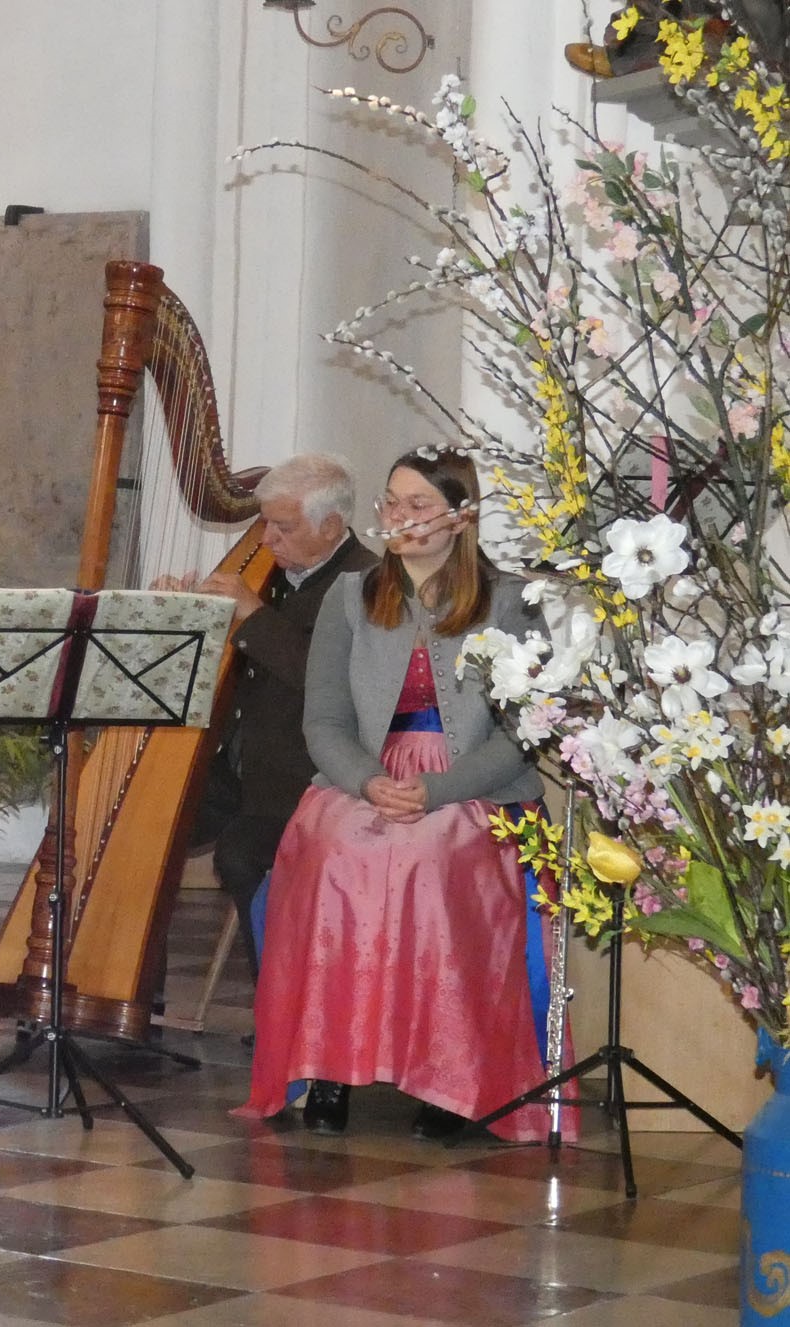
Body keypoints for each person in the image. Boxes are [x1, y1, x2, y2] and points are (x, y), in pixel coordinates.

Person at [236, 449, 561, 1142]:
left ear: (461, 515)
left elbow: (524, 734)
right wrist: (365, 780)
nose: (402, 518)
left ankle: (451, 1080)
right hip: (367, 773)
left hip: (474, 784)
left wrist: (438, 788)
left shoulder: (508, 600)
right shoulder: (350, 598)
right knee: (333, 847)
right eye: (393, 503)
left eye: (419, 505)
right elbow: (323, 719)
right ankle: (328, 1066)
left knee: (432, 854)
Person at [187, 453, 378, 981]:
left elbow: (332, 681)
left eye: (284, 526)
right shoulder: (272, 571)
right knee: (141, 832)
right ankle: (127, 996)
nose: (268, 538)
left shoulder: (366, 584)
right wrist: (181, 609)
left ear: (332, 526)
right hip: (242, 765)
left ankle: (282, 1005)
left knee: (241, 856)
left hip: (303, 780)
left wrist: (254, 617)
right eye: (266, 522)